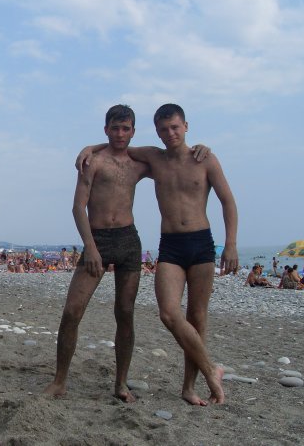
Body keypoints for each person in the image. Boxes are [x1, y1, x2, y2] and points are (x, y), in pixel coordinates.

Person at [45, 104, 210, 402]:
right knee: (72, 311)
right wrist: (90, 247)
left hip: (128, 241)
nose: (120, 134)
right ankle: (59, 381)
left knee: (125, 312)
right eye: (115, 128)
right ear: (106, 129)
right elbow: (78, 207)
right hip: (97, 239)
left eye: (125, 129)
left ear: (133, 131)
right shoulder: (93, 161)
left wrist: (201, 148)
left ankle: (121, 383)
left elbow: (175, 161)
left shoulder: (139, 164)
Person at [76, 103, 236, 405]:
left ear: (186, 126)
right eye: (164, 129)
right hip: (171, 246)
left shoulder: (205, 159)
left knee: (197, 317)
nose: (170, 133)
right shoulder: (153, 157)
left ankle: (189, 387)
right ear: (157, 133)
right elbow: (118, 145)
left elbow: (228, 201)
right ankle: (211, 368)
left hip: (201, 242)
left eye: (175, 127)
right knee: (169, 314)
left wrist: (231, 244)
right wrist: (89, 147)